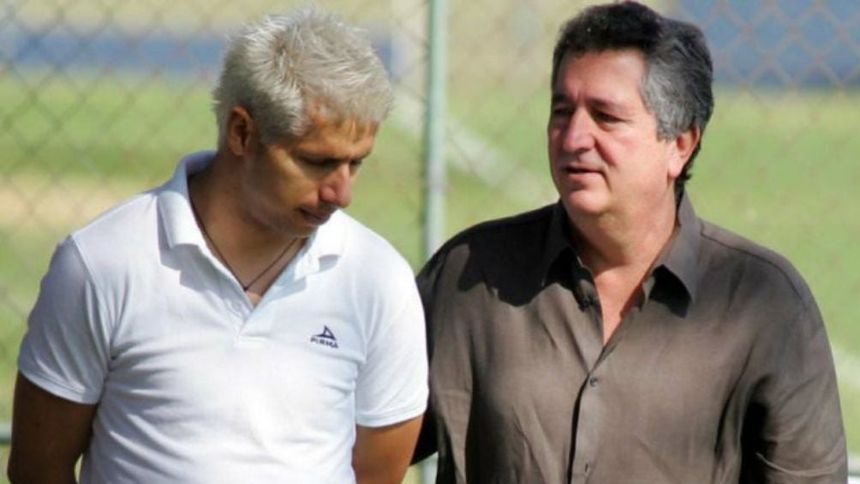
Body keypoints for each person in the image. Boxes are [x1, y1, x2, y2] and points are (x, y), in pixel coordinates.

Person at [413, 2, 846, 482]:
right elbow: (363, 440)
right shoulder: (470, 277)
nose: (574, 137)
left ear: (680, 145)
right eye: (562, 111)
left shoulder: (766, 305)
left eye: (606, 117)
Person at [9, 8, 427, 484]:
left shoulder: (379, 279)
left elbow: (377, 474)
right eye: (317, 162)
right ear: (241, 132)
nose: (342, 193)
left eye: (356, 164)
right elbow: (38, 468)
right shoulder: (102, 263)